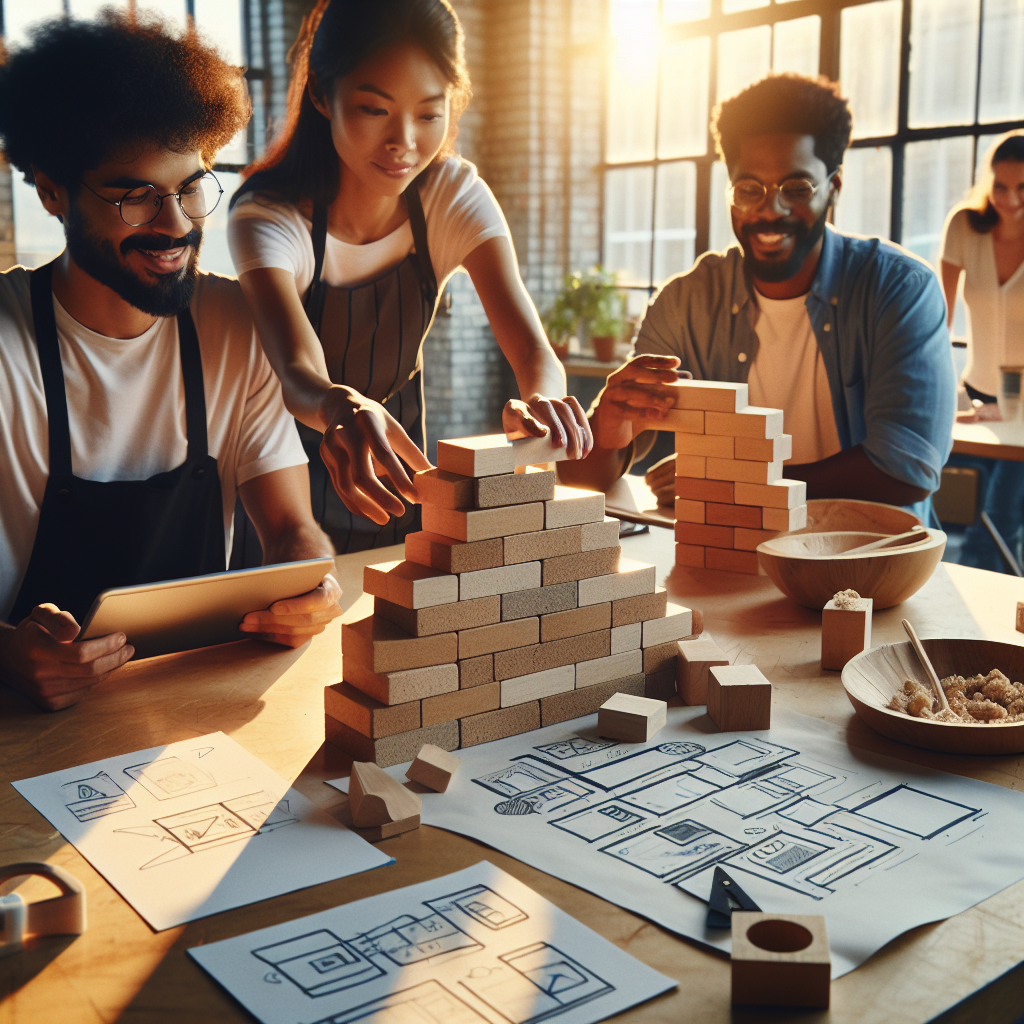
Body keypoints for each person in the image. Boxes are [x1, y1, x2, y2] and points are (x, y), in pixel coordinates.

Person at [0, 13, 342, 712]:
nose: (177, 223)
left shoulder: (234, 323)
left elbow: (290, 528)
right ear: (52, 191)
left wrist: (310, 584)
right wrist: (4, 653)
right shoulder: (7, 340)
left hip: (188, 708)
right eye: (136, 196)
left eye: (191, 186)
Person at [228, 0, 591, 554]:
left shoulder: (451, 195)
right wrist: (339, 407)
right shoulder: (269, 216)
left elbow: (532, 350)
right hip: (284, 506)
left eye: (428, 114)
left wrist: (542, 404)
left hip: (403, 497)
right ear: (322, 94)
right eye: (375, 109)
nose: (404, 142)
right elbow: (297, 369)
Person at [560, 74, 956, 525]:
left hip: (867, 556)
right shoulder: (687, 303)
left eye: (797, 188)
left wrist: (737, 481)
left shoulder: (899, 290)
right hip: (732, 550)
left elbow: (907, 469)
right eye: (750, 189)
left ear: (834, 187)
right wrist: (608, 428)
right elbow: (584, 480)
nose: (772, 210)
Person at [940, 132, 1024, 571]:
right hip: (973, 397)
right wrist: (951, 395)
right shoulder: (964, 227)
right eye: (1001, 186)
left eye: (1023, 188)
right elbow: (938, 324)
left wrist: (1007, 411)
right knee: (948, 511)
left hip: (1023, 409)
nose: (1011, 200)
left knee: (998, 519)